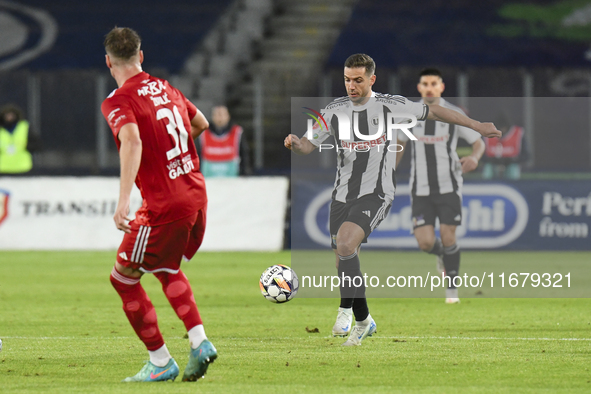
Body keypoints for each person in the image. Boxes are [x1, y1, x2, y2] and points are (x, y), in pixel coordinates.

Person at [285, 55, 499, 345]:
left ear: (371, 79)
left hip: (377, 192)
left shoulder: (391, 105)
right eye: (348, 79)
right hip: (341, 195)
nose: (351, 85)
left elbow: (435, 112)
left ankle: (345, 310)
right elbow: (308, 145)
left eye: (358, 80)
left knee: (347, 244)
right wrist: (297, 144)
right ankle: (365, 321)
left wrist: (476, 125)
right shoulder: (333, 110)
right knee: (343, 261)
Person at [100, 27, 217, 382]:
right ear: (141, 56)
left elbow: (132, 140)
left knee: (123, 279)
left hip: (163, 206)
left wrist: (123, 200)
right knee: (166, 269)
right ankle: (198, 341)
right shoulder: (166, 88)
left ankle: (160, 360)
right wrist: (169, 154)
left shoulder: (118, 100)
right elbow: (201, 123)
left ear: (108, 62)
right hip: (195, 196)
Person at [396, 68, 485, 304]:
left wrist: (474, 158)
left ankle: (452, 293)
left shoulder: (453, 114)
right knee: (425, 242)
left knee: (448, 236)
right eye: (425, 83)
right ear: (419, 87)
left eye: (434, 83)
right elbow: (400, 144)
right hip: (420, 187)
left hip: (449, 185)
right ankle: (441, 255)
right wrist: (389, 171)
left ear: (441, 87)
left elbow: (478, 142)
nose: (429, 87)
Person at [195, 105, 252, 177]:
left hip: (233, 181)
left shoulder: (237, 133)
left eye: (222, 114)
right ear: (212, 117)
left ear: (228, 116)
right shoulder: (202, 134)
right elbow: (195, 157)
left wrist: (244, 175)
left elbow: (244, 156)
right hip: (208, 181)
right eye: (217, 114)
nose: (220, 118)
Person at [481, 113, 528, 180]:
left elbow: (526, 155)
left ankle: (514, 184)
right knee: (488, 168)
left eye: (504, 128)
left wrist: (513, 160)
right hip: (493, 165)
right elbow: (481, 156)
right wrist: (491, 160)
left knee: (513, 168)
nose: (502, 131)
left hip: (511, 165)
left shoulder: (518, 134)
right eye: (499, 128)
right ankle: (486, 185)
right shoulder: (487, 135)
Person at [0, 105, 41, 174]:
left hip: (23, 168)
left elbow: (36, 144)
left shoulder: (24, 127)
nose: (9, 118)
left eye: (11, 115)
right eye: (7, 115)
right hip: (3, 168)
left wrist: (26, 146)